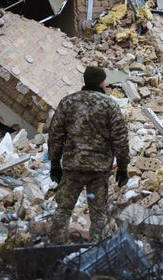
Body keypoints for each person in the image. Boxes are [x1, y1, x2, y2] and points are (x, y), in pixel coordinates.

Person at [48, 65, 130, 244]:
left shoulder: (68, 102)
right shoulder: (110, 105)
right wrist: (123, 167)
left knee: (63, 209)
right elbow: (120, 138)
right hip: (99, 170)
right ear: (101, 82)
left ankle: (54, 249)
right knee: (98, 214)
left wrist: (54, 163)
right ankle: (95, 251)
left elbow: (55, 134)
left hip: (72, 168)